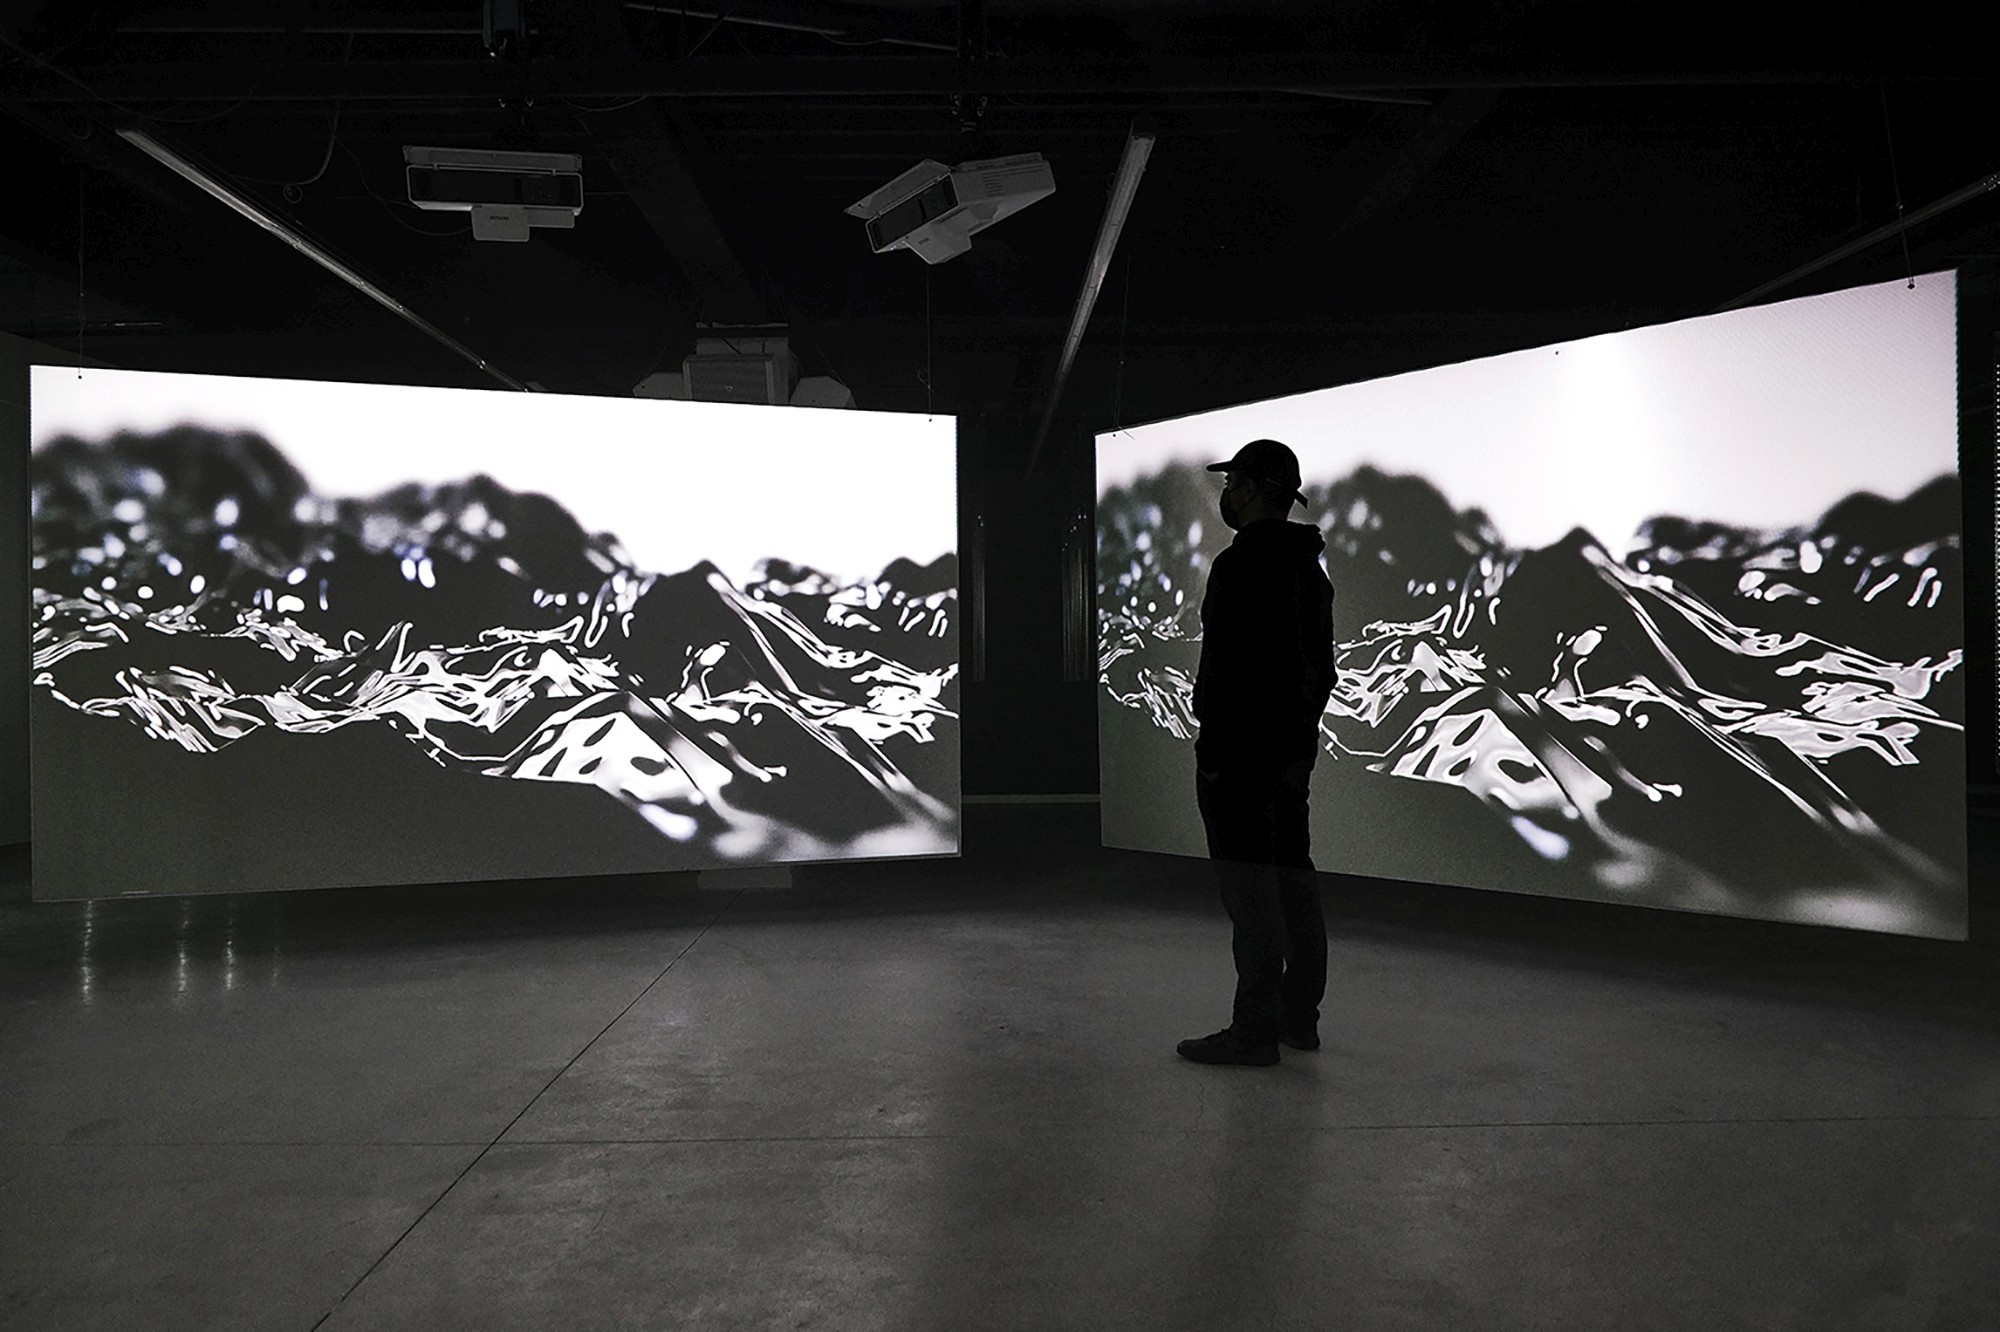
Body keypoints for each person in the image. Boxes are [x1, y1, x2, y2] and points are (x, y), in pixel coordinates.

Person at [1177, 438, 1336, 1067]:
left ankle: (1253, 1032)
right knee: (1294, 882)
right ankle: (1301, 1019)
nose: (1226, 492)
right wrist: (1298, 743)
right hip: (1291, 757)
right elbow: (1317, 670)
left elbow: (1225, 672)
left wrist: (1214, 753)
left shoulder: (1239, 566)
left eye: (1232, 481)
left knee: (1251, 897)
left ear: (1250, 488)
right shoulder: (1309, 569)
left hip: (1239, 759)